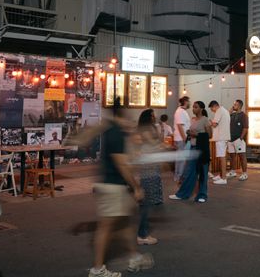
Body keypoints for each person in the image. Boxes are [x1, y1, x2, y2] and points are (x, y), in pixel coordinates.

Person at [89, 102, 153, 277]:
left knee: (125, 223)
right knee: (105, 227)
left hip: (114, 186)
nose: (130, 121)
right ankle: (97, 270)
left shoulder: (112, 130)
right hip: (112, 186)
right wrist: (136, 187)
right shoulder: (115, 133)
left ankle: (134, 257)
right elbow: (121, 164)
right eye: (128, 117)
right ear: (121, 116)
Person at [169, 101, 212, 202]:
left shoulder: (205, 120)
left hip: (202, 149)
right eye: (193, 107)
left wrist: (197, 135)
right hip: (192, 148)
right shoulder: (192, 120)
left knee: (203, 172)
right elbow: (191, 132)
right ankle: (182, 194)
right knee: (189, 172)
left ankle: (202, 195)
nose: (193, 109)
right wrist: (189, 133)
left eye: (196, 107)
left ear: (201, 109)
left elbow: (210, 135)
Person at [135, 109, 164, 246]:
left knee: (147, 199)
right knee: (146, 200)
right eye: (152, 115)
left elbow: (157, 142)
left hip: (152, 163)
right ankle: (142, 234)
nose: (154, 117)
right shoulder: (145, 129)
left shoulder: (151, 127)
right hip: (148, 165)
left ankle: (143, 232)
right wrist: (161, 146)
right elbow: (154, 143)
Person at [209, 100, 231, 185]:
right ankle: (222, 175)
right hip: (224, 137)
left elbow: (215, 124)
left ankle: (223, 178)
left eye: (212, 109)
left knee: (222, 157)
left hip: (221, 137)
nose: (213, 111)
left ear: (214, 106)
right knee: (222, 157)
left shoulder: (219, 111)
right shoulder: (225, 111)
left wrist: (210, 122)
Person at [227, 100, 249, 181]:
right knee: (232, 156)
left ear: (239, 106)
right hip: (230, 139)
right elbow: (226, 117)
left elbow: (245, 128)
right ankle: (232, 171)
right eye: (233, 104)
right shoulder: (232, 114)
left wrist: (241, 138)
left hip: (239, 139)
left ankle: (245, 173)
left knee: (242, 156)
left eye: (235, 105)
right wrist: (230, 111)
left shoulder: (244, 115)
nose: (233, 106)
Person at [173, 96, 191, 182]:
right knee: (181, 159)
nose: (190, 103)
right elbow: (180, 126)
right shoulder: (180, 111)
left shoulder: (182, 111)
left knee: (182, 158)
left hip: (182, 138)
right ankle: (179, 177)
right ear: (185, 102)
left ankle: (180, 176)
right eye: (189, 101)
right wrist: (184, 138)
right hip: (181, 138)